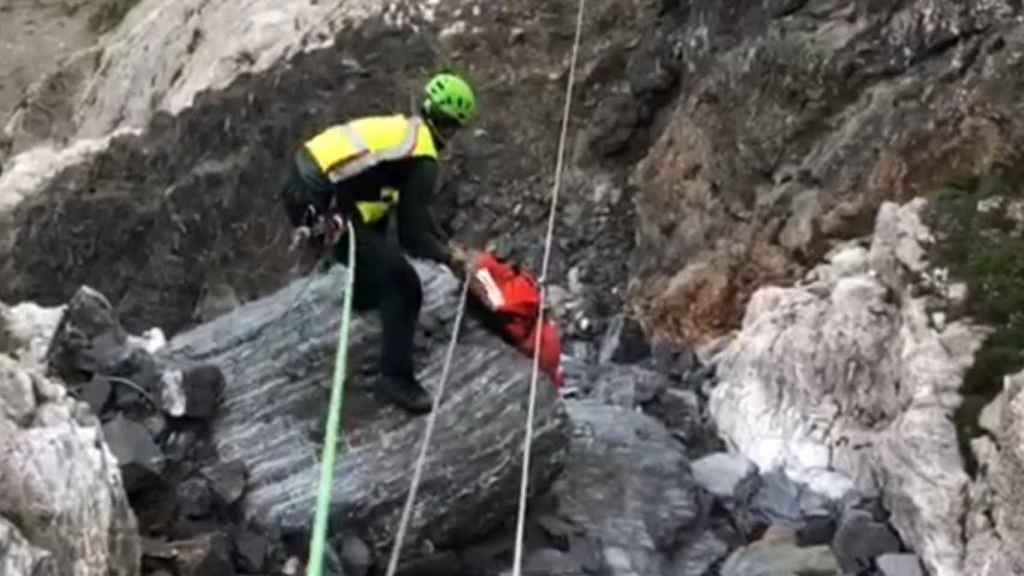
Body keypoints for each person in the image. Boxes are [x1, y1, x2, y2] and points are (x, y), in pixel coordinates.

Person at [279, 71, 479, 415]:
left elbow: (403, 209)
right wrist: (450, 257)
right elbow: (412, 234)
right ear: (452, 127)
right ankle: (395, 379)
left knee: (377, 232)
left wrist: (445, 246)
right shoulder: (423, 157)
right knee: (405, 286)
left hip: (312, 188)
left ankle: (366, 292)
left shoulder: (405, 134)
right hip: (321, 199)